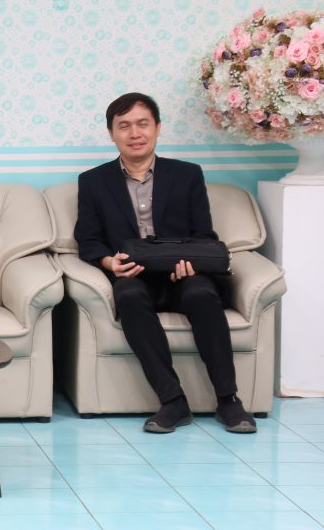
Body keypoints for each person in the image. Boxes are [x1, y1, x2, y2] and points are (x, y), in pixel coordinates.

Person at [74, 92, 257, 434]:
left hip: (185, 275)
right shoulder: (93, 181)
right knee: (128, 296)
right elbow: (88, 239)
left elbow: (203, 234)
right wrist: (110, 263)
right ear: (111, 133)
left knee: (202, 294)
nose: (135, 133)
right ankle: (173, 401)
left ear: (157, 128)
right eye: (124, 126)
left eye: (143, 124)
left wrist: (191, 263)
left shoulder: (187, 174)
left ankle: (228, 400)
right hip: (134, 275)